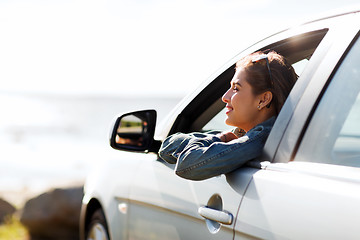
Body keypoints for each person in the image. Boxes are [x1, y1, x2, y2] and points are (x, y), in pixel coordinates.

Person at [158, 51, 298, 180]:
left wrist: (219, 139)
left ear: (263, 99)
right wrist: (221, 138)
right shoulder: (247, 136)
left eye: (236, 88)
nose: (225, 97)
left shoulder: (259, 140)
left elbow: (186, 164)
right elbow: (166, 148)